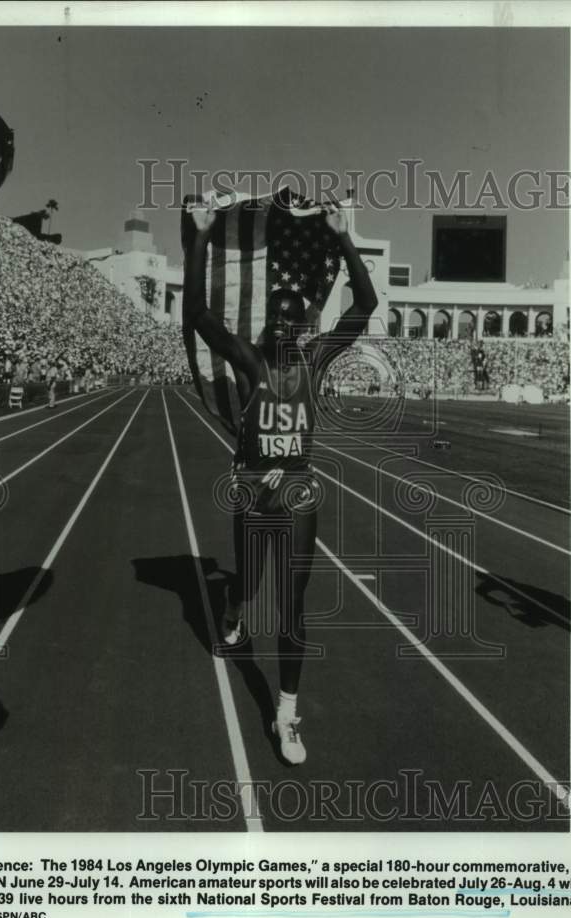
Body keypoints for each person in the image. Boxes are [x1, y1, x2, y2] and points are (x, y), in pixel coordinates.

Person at [184, 200, 377, 764]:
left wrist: (343, 238)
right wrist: (200, 238)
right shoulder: (250, 363)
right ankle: (234, 609)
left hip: (296, 493)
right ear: (270, 327)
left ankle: (287, 713)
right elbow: (196, 313)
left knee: (293, 606)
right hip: (250, 487)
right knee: (248, 584)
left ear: (304, 330)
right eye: (281, 323)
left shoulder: (314, 365)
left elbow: (364, 303)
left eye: (295, 325)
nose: (287, 332)